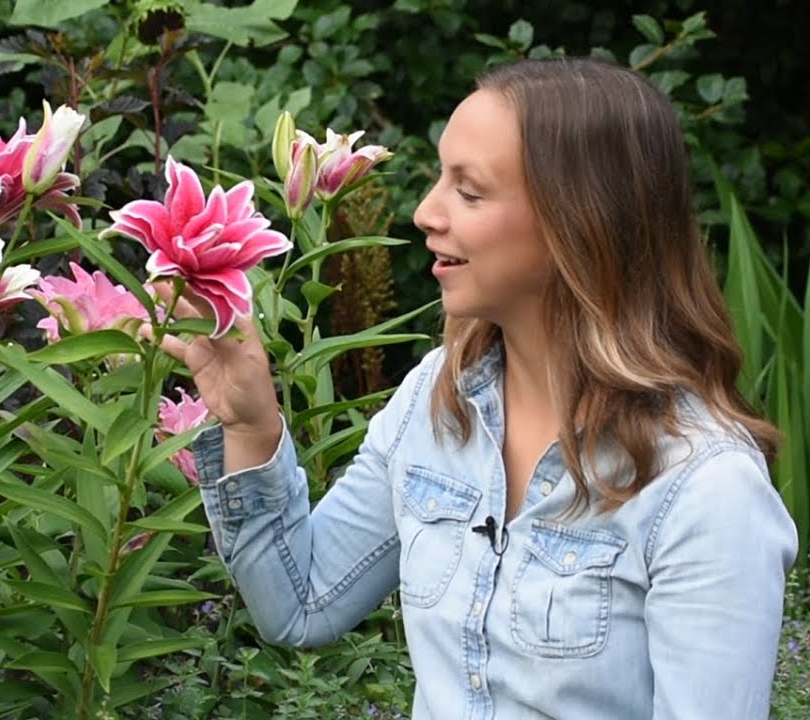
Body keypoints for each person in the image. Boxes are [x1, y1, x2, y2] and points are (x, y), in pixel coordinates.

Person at [150, 57, 799, 719]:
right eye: (441, 178)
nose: (427, 211)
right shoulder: (439, 401)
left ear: (579, 222)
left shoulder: (705, 491)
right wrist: (252, 426)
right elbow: (302, 604)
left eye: (470, 190)